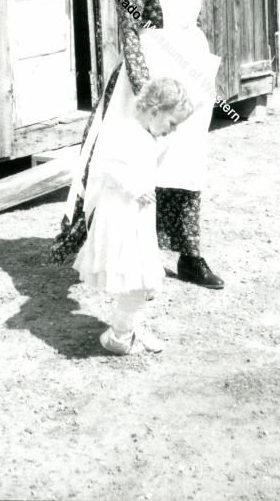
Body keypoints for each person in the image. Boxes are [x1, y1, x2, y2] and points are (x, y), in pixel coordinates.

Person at [50, 0, 224, 290]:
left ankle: (189, 255)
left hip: (187, 73)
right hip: (149, 78)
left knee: (187, 161)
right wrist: (147, 92)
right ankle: (117, 249)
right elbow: (128, 32)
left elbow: (192, 19)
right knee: (136, 161)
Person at [75, 78, 193, 355]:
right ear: (155, 111)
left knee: (142, 280)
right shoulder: (125, 131)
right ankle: (119, 338)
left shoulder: (147, 135)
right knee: (137, 279)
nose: (172, 131)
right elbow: (107, 166)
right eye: (172, 123)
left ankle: (129, 329)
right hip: (120, 217)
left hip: (137, 218)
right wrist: (135, 188)